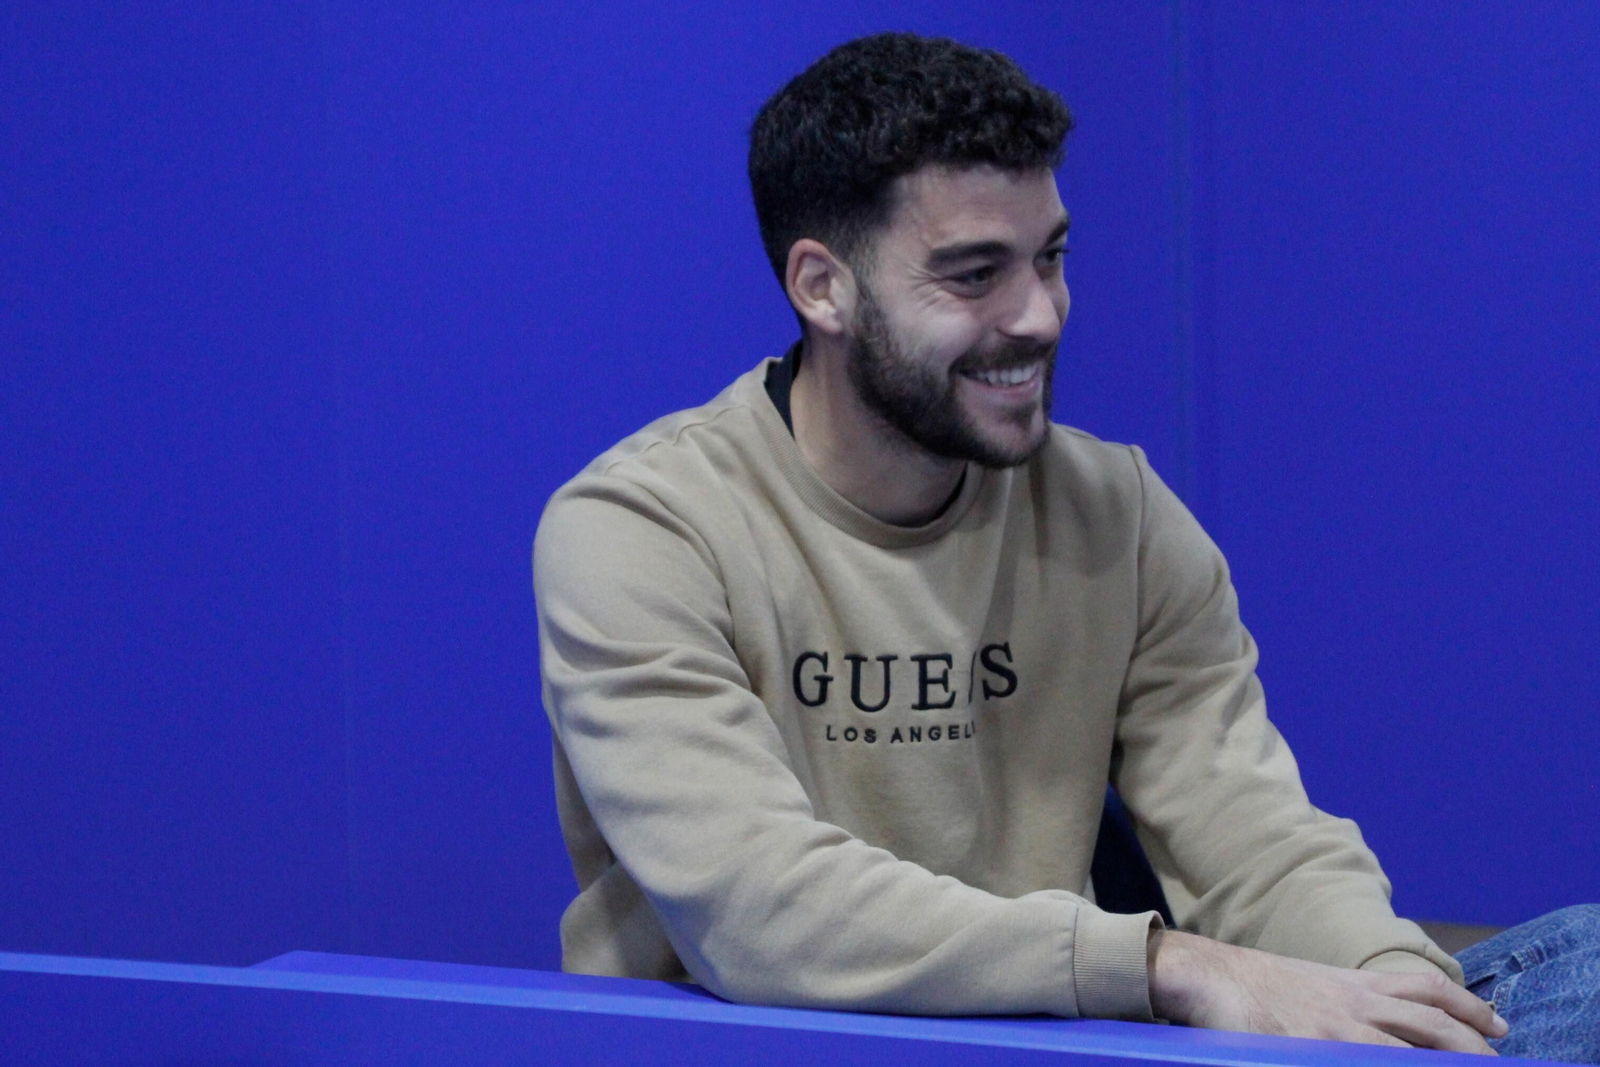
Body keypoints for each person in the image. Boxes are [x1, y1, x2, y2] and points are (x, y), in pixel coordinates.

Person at [533, 32, 1597, 1060]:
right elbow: (760, 908)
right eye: (973, 274)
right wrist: (1166, 964)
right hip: (761, 1043)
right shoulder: (642, 527)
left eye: (1050, 258)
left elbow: (1253, 835)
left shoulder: (1115, 512)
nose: (1039, 315)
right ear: (822, 287)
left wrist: (1386, 995)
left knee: (1583, 964)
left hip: (1050, 1041)